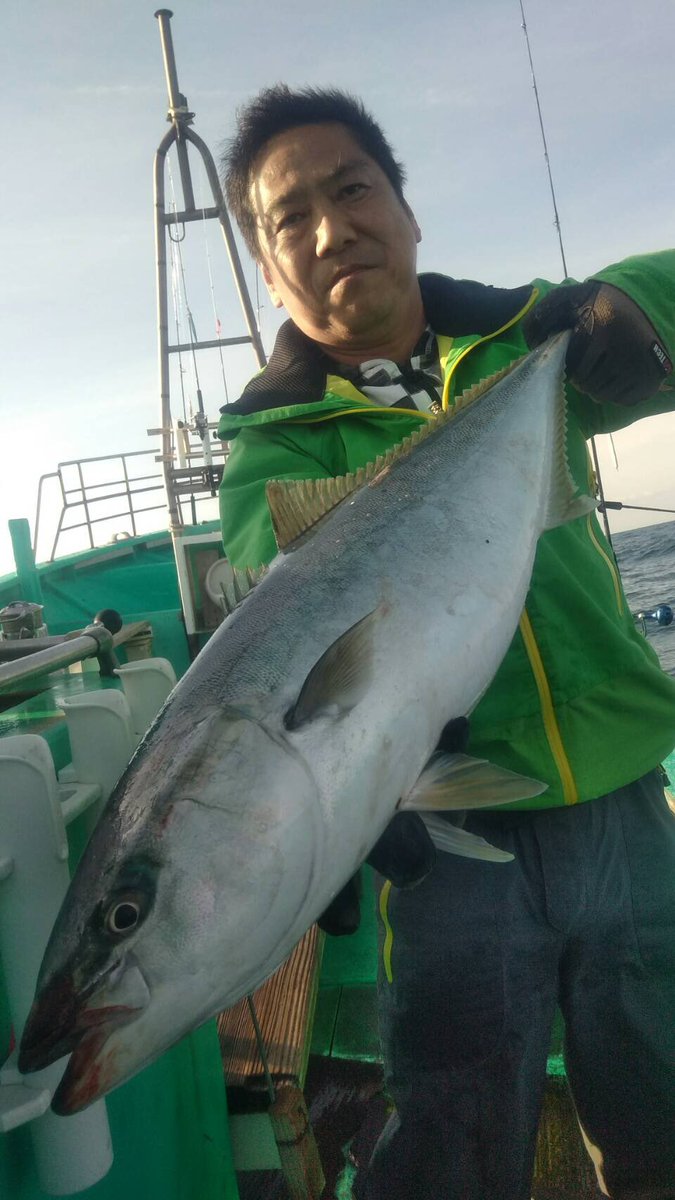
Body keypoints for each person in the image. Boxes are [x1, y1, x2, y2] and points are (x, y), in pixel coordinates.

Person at [217, 86, 675, 1199]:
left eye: (353, 189)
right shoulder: (270, 466)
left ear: (409, 214)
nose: (331, 230)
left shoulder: (527, 346)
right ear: (270, 274)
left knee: (666, 1109)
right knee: (457, 1149)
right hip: (449, 843)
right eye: (289, 221)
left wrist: (631, 305)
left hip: (624, 800)